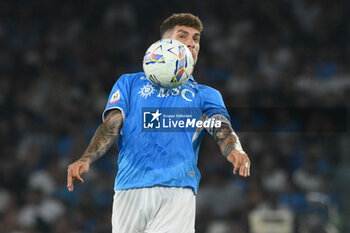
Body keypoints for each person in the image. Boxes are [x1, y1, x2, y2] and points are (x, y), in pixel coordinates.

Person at [67, 13, 251, 233]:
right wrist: (87, 158)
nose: (191, 43)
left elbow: (222, 129)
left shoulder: (206, 95)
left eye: (196, 38)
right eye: (183, 36)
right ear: (163, 44)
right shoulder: (129, 83)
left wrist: (235, 150)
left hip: (177, 190)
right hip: (128, 188)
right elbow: (111, 125)